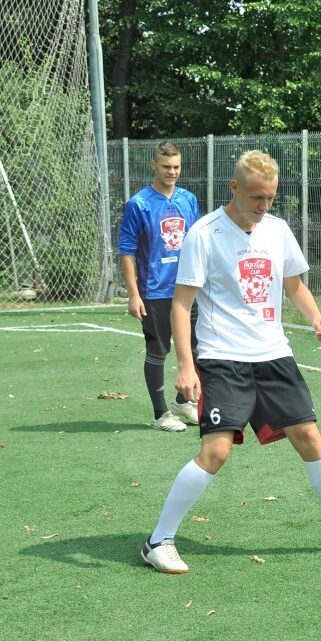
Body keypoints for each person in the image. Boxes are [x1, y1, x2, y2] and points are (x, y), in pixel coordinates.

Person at [139, 150, 321, 574]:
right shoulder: (204, 234)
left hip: (274, 354)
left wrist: (315, 316)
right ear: (234, 188)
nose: (264, 207)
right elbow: (181, 303)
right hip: (223, 357)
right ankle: (159, 540)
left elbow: (293, 283)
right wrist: (186, 366)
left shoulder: (278, 230)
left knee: (309, 436)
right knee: (216, 451)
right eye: (257, 198)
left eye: (270, 198)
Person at [118, 141, 202, 431]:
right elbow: (126, 250)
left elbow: (197, 242)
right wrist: (133, 294)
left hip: (188, 288)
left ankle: (183, 401)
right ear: (153, 165)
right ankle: (160, 414)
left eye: (177, 166)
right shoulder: (138, 204)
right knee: (158, 350)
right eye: (166, 166)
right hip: (155, 290)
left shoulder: (189, 200)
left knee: (194, 347)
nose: (172, 171)